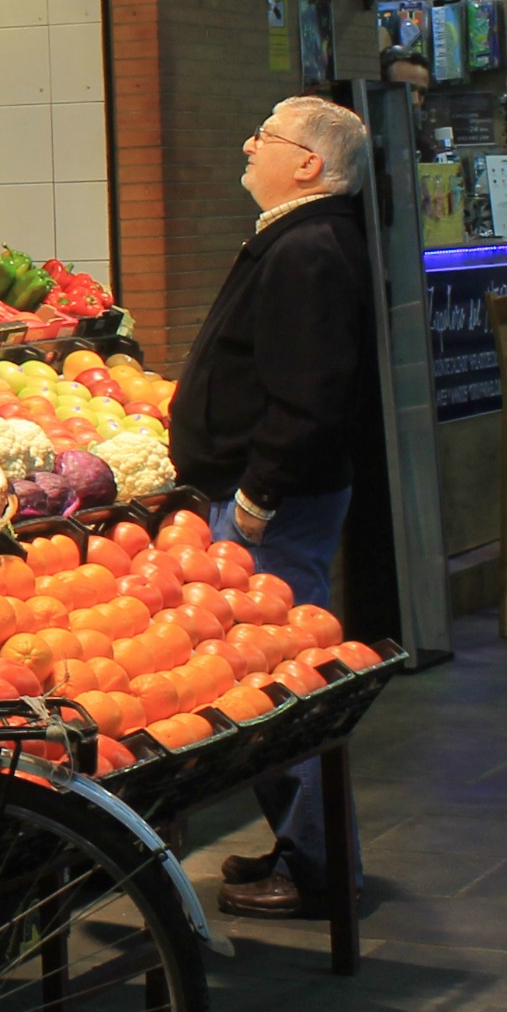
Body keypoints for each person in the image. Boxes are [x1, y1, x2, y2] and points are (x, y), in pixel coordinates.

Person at [169, 95, 379, 922]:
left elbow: (311, 394)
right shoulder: (300, 238)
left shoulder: (311, 249)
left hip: (275, 505)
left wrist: (257, 494)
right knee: (274, 676)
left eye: (267, 137)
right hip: (275, 495)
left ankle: (320, 865)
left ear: (309, 165)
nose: (248, 145)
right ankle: (307, 847)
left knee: (277, 684)